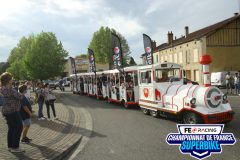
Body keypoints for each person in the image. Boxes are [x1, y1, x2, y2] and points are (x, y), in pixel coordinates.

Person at [0, 72, 25, 153]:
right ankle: (15, 147)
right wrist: (22, 92)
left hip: (6, 111)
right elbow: (20, 96)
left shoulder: (1, 88)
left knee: (11, 128)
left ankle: (10, 146)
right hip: (13, 111)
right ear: (8, 80)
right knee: (19, 127)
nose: (12, 80)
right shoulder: (10, 89)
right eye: (11, 78)